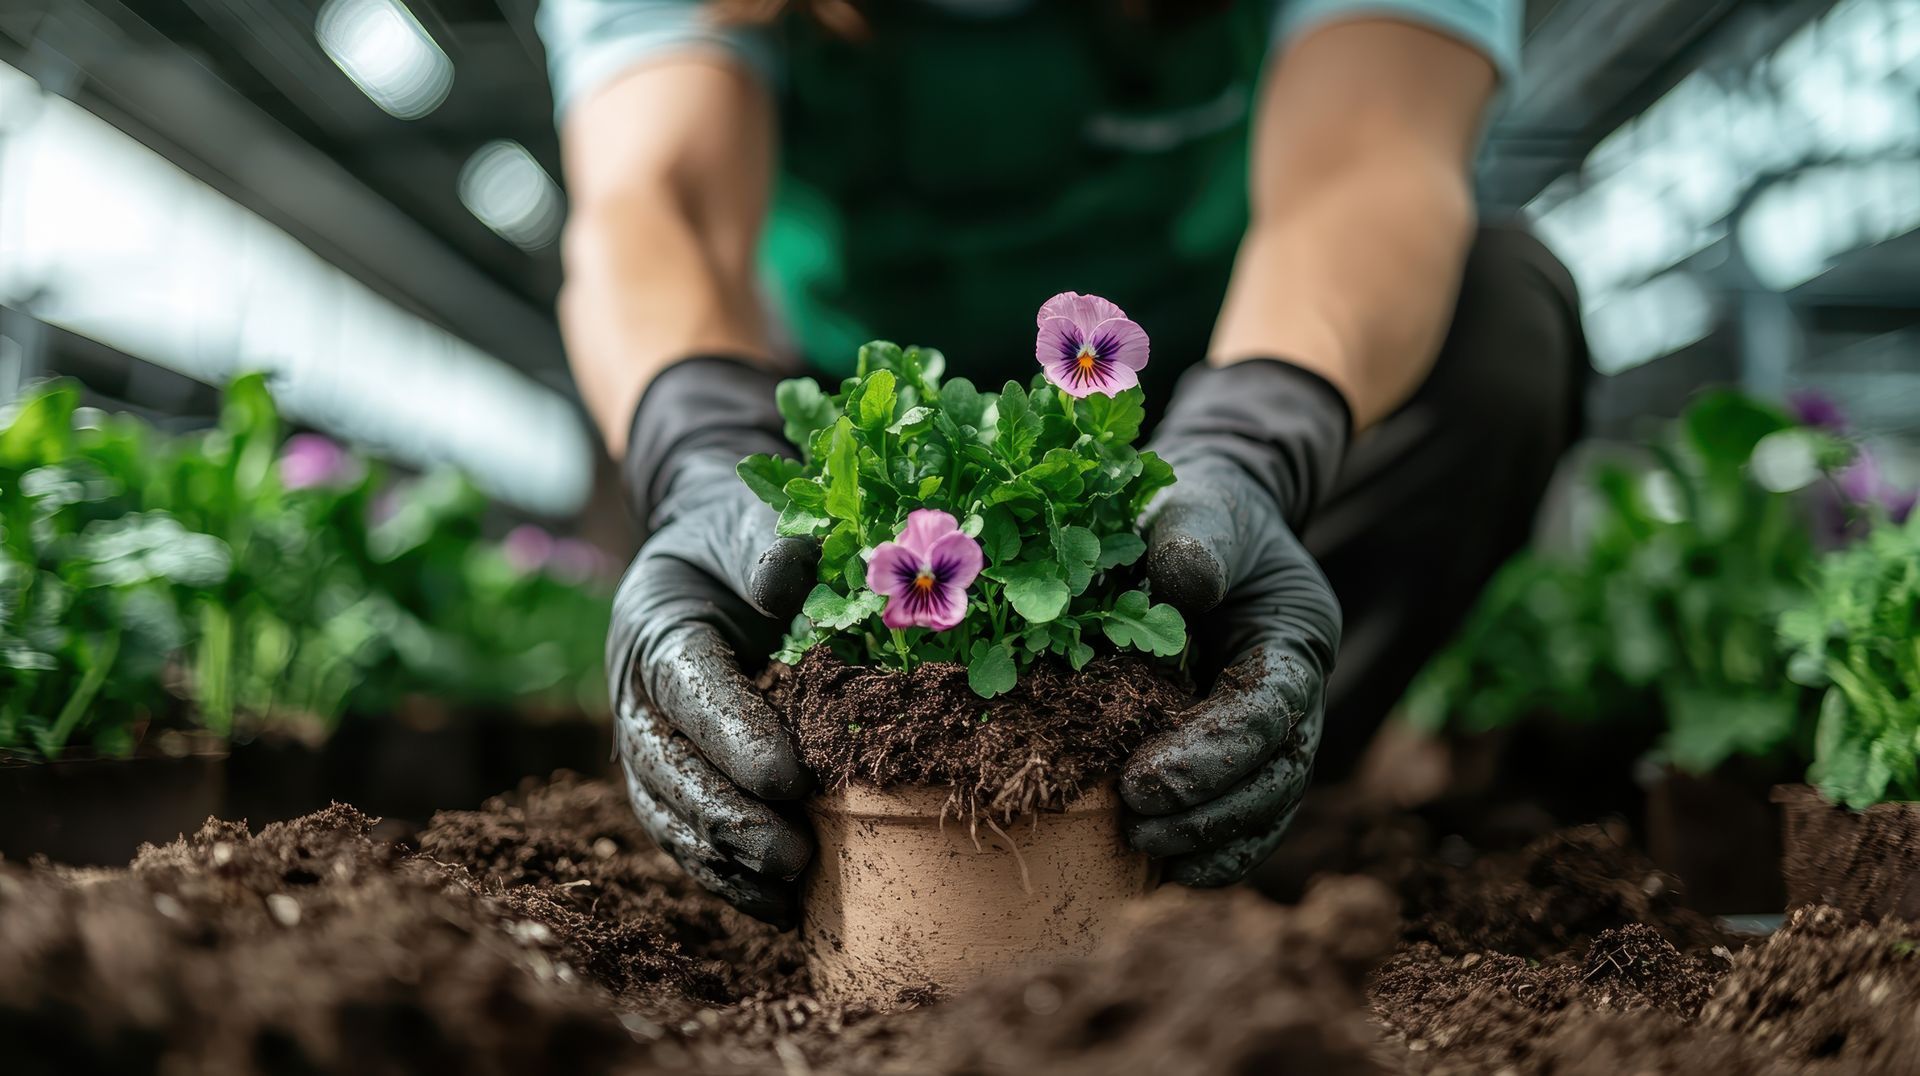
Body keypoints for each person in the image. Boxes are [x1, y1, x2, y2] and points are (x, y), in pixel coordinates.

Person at [538, 0, 1587, 925]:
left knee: (1497, 328)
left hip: (1183, 388)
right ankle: (801, 842)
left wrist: (1260, 442)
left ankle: (1207, 797)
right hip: (846, 425)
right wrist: (698, 455)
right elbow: (653, 201)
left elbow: (1372, 162)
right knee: (661, 424)